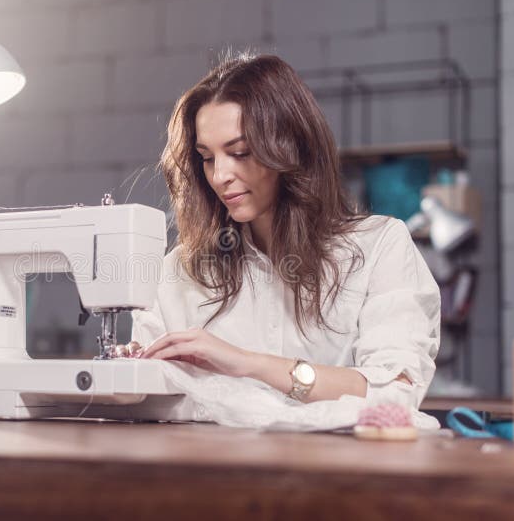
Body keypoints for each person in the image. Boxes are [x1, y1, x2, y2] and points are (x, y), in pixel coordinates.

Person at [131, 53, 440, 410]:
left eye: (241, 152)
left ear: (291, 147)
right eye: (208, 157)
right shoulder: (181, 271)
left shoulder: (379, 248)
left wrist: (249, 364)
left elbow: (395, 391)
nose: (219, 176)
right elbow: (143, 393)